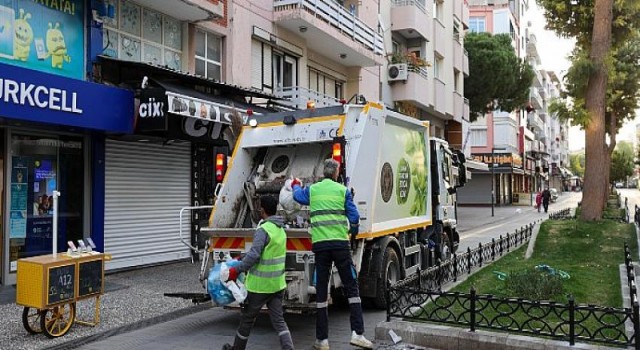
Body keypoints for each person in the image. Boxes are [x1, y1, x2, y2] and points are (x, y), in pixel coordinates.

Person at [291, 159, 373, 350]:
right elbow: (354, 217)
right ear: (336, 173)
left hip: (320, 247)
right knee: (351, 286)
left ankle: (322, 340)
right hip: (340, 246)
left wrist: (295, 185)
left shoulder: (312, 190)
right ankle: (357, 334)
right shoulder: (342, 191)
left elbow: (297, 197)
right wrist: (353, 232)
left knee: (321, 291)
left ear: (323, 172)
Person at [222, 195, 294, 350]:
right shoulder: (280, 229)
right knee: (279, 321)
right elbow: (266, 253)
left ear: (263, 210)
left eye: (260, 207)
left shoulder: (263, 230)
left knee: (247, 319)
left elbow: (255, 255)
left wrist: (237, 269)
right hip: (277, 285)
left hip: (260, 287)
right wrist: (243, 257)